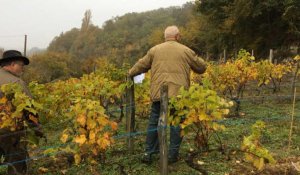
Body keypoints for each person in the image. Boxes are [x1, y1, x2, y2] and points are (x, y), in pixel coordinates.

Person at [128, 26, 207, 164]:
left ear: (165, 37)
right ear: (178, 36)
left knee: (154, 122)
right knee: (176, 124)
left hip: (159, 93)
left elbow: (141, 65)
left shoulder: (154, 50)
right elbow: (201, 67)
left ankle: (149, 152)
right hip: (179, 95)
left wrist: (129, 74)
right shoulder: (185, 50)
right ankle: (172, 155)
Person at [0, 50, 42, 174]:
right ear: (12, 64)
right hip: (10, 132)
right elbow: (29, 110)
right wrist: (37, 129)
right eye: (21, 65)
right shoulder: (17, 83)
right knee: (16, 161)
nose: (22, 69)